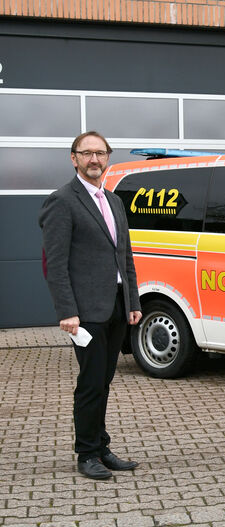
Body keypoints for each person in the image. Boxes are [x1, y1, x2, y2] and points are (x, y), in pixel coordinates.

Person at [39, 131, 143, 480]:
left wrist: (133, 300)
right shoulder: (62, 201)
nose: (94, 159)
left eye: (100, 153)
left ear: (108, 157)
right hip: (84, 312)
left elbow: (124, 255)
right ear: (74, 158)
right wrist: (66, 311)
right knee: (90, 382)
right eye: (87, 154)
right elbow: (55, 262)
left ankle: (101, 446)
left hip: (115, 305)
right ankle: (87, 454)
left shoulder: (113, 201)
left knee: (104, 380)